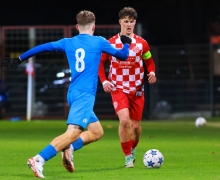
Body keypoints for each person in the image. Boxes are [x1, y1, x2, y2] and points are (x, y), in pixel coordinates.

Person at [0, 10, 131, 178]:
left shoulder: (68, 42)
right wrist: (126, 42)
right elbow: (123, 55)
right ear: (94, 26)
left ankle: (69, 148)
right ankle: (39, 159)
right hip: (84, 95)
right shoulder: (99, 42)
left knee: (96, 132)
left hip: (73, 93)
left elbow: (43, 47)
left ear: (77, 26)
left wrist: (19, 59)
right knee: (72, 133)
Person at [98, 6, 156, 168]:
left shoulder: (142, 43)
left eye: (131, 21)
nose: (128, 24)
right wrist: (104, 81)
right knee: (124, 121)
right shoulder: (111, 43)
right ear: (120, 22)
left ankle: (133, 149)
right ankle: (127, 156)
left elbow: (149, 61)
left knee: (136, 128)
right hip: (118, 88)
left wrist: (152, 72)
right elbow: (100, 63)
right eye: (125, 21)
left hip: (137, 90)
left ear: (135, 22)